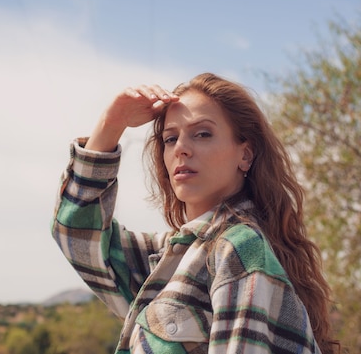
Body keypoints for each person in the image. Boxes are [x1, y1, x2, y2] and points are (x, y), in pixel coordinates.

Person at [52, 73, 338, 354]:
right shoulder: (172, 257)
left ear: (246, 154)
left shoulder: (238, 248)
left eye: (202, 134)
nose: (182, 149)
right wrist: (111, 124)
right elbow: (77, 233)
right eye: (170, 138)